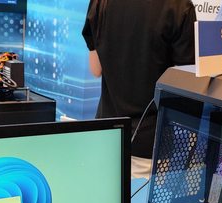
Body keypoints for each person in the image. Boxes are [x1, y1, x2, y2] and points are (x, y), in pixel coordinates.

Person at [82, 0, 196, 178]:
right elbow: (186, 86)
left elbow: (96, 69)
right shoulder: (179, 6)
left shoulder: (100, 2)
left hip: (106, 134)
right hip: (150, 145)